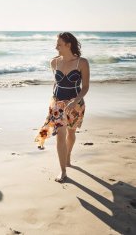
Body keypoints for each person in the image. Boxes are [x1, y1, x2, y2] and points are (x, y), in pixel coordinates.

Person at [35, 32, 90, 182]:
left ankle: (68, 156)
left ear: (68, 45)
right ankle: (63, 171)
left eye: (59, 44)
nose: (56, 47)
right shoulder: (54, 62)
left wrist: (75, 101)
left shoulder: (82, 63)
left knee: (70, 134)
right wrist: (54, 102)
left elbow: (85, 87)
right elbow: (56, 83)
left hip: (75, 104)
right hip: (58, 104)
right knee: (60, 135)